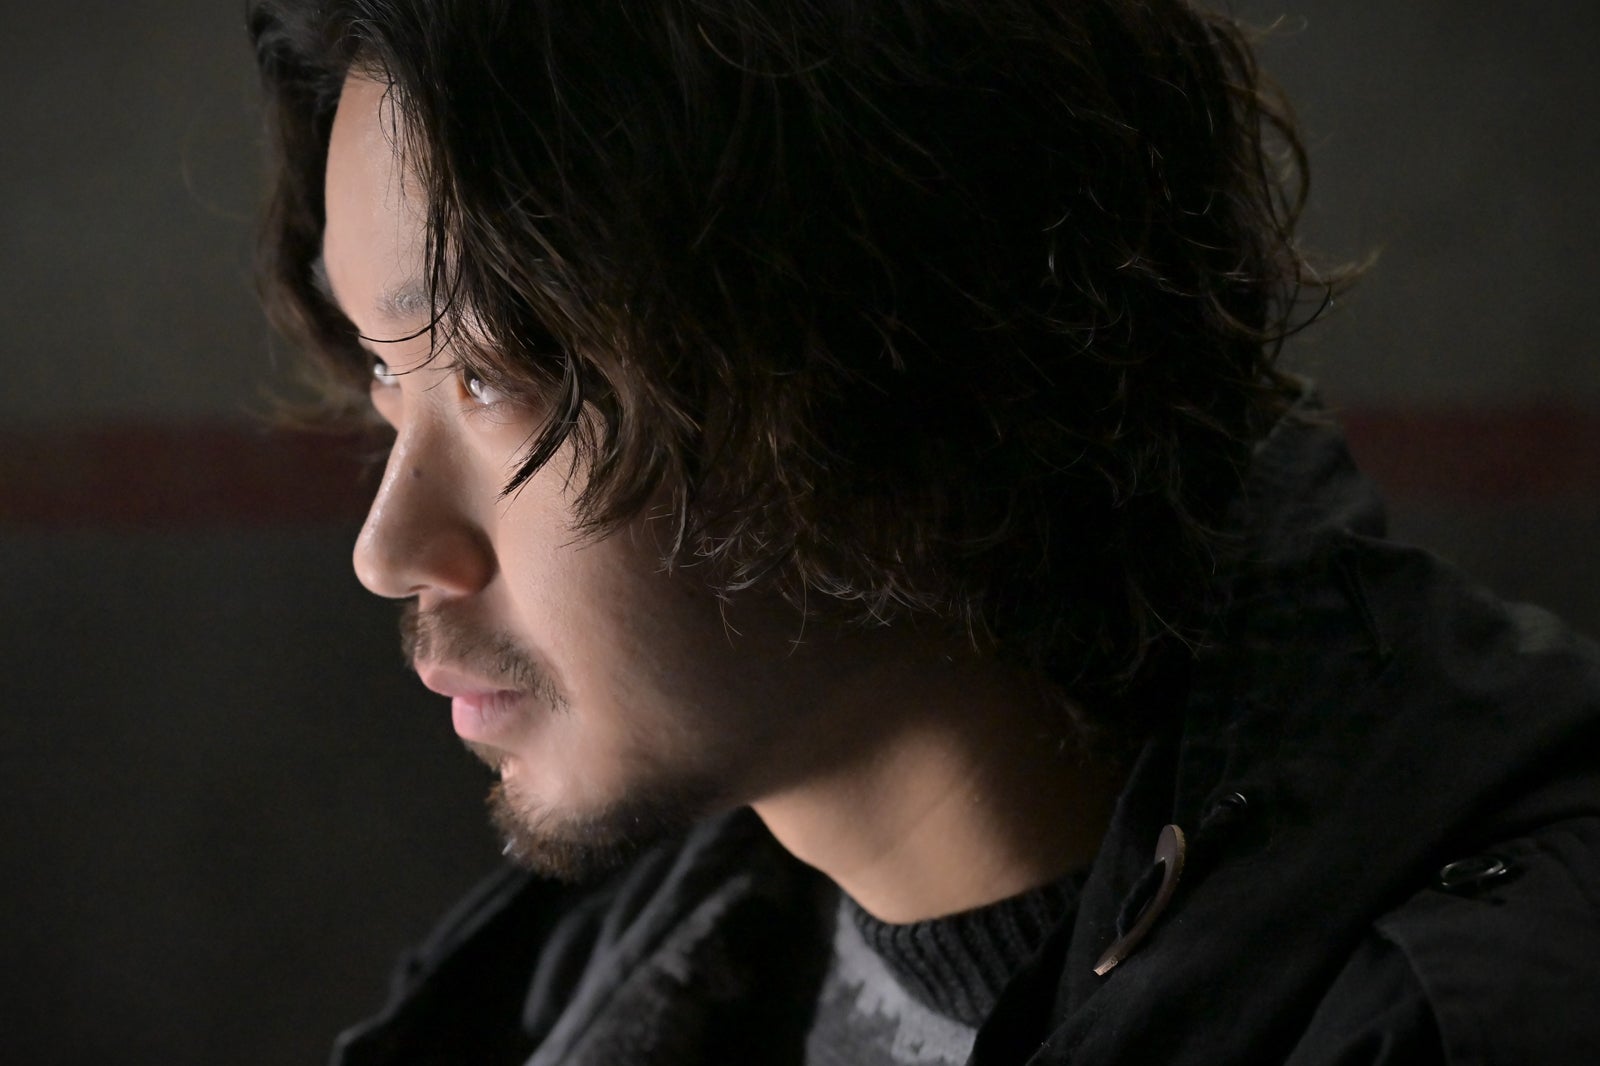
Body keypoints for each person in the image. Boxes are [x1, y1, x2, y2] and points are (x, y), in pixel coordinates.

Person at [248, 1, 1600, 1062]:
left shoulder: (1467, 1012)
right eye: (386, 375)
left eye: (493, 375)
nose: (389, 548)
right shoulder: (607, 965)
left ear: (881, 345)